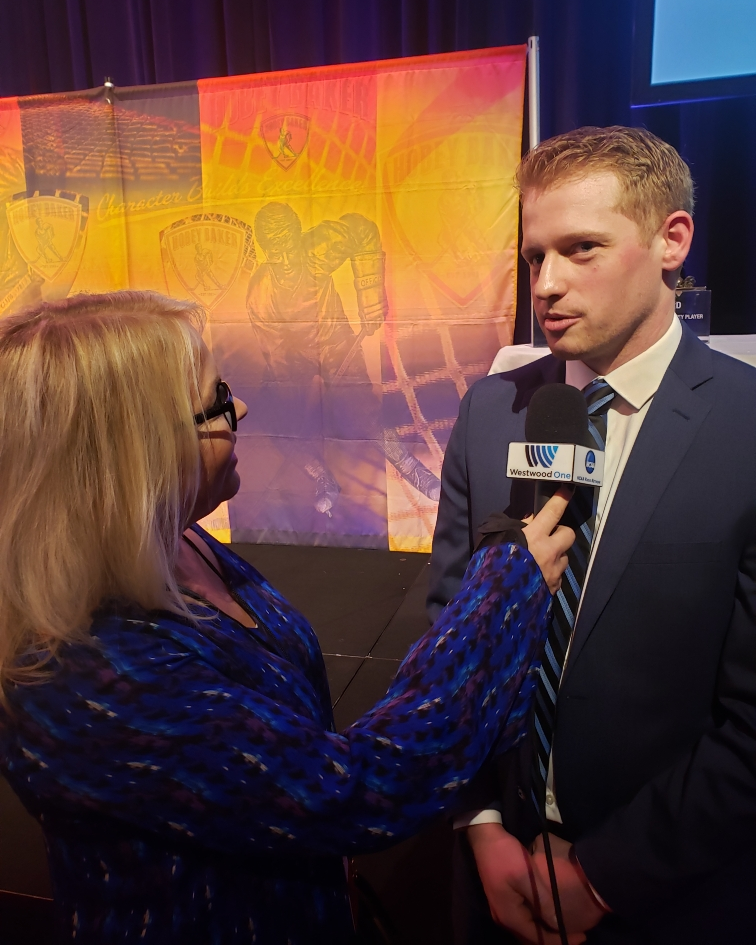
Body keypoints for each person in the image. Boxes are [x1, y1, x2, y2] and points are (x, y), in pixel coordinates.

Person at [0, 290, 574, 945]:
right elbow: (355, 790)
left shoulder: (175, 541)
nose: (239, 408)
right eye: (215, 402)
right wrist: (503, 587)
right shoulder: (87, 674)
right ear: (134, 455)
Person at [427, 125, 756, 944]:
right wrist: (482, 822)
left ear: (671, 240)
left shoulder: (748, 427)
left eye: (582, 249)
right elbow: (447, 634)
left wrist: (604, 877)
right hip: (494, 874)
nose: (548, 284)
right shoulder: (488, 411)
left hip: (669, 894)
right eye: (537, 256)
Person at [247, 201, 441, 516]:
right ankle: (323, 477)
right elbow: (277, 353)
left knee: (363, 413)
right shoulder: (260, 293)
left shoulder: (318, 248)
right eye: (274, 252)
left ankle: (411, 467)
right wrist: (294, 394)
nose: (284, 260)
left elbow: (363, 231)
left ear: (298, 238)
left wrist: (371, 298)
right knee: (276, 419)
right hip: (294, 357)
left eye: (288, 248)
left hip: (337, 346)